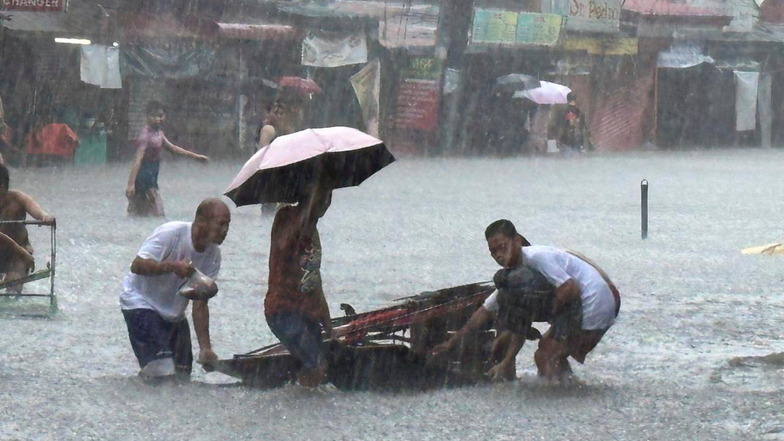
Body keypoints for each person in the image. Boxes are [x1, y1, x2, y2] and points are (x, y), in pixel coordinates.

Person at [433, 219, 619, 382]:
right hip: (590, 301)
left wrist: (545, 317)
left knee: (546, 355)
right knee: (548, 348)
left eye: (502, 247)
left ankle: (557, 402)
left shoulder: (536, 258)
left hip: (594, 303)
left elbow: (569, 288)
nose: (498, 255)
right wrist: (452, 342)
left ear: (517, 241)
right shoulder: (515, 277)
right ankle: (568, 388)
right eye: (493, 251)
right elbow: (484, 312)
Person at [119, 198, 230, 381]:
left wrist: (205, 348)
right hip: (140, 302)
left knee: (182, 375)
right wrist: (172, 267)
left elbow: (200, 304)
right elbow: (137, 265)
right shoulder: (171, 233)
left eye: (228, 225)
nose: (225, 230)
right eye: (221, 224)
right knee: (163, 372)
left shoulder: (213, 255)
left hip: (173, 314)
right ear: (202, 221)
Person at [264, 178, 334, 387]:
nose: (326, 202)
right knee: (317, 368)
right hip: (283, 311)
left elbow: (314, 279)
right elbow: (284, 243)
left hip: (307, 312)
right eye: (321, 196)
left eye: (328, 197)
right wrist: (307, 212)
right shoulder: (285, 216)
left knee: (314, 369)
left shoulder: (313, 233)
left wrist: (327, 321)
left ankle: (299, 405)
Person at [126, 101, 209, 217]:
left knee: (141, 209)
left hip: (153, 171)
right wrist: (130, 184)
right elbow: (137, 160)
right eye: (153, 116)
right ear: (147, 116)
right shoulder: (145, 136)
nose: (157, 119)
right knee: (154, 206)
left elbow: (174, 149)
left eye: (160, 116)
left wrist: (196, 157)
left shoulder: (159, 134)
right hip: (144, 172)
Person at [0, 164, 55, 293]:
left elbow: (36, 209)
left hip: (17, 255)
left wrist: (44, 217)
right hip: (19, 252)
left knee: (14, 286)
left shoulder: (17, 198)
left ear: (2, 188)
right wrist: (22, 253)